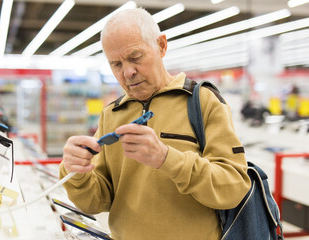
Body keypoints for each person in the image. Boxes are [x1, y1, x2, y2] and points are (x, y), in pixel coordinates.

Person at [59, 8, 251, 240]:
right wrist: (76, 172)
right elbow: (97, 201)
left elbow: (233, 188)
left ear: (161, 46)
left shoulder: (202, 102)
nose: (128, 72)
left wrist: (167, 159)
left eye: (135, 57)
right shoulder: (112, 114)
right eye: (116, 64)